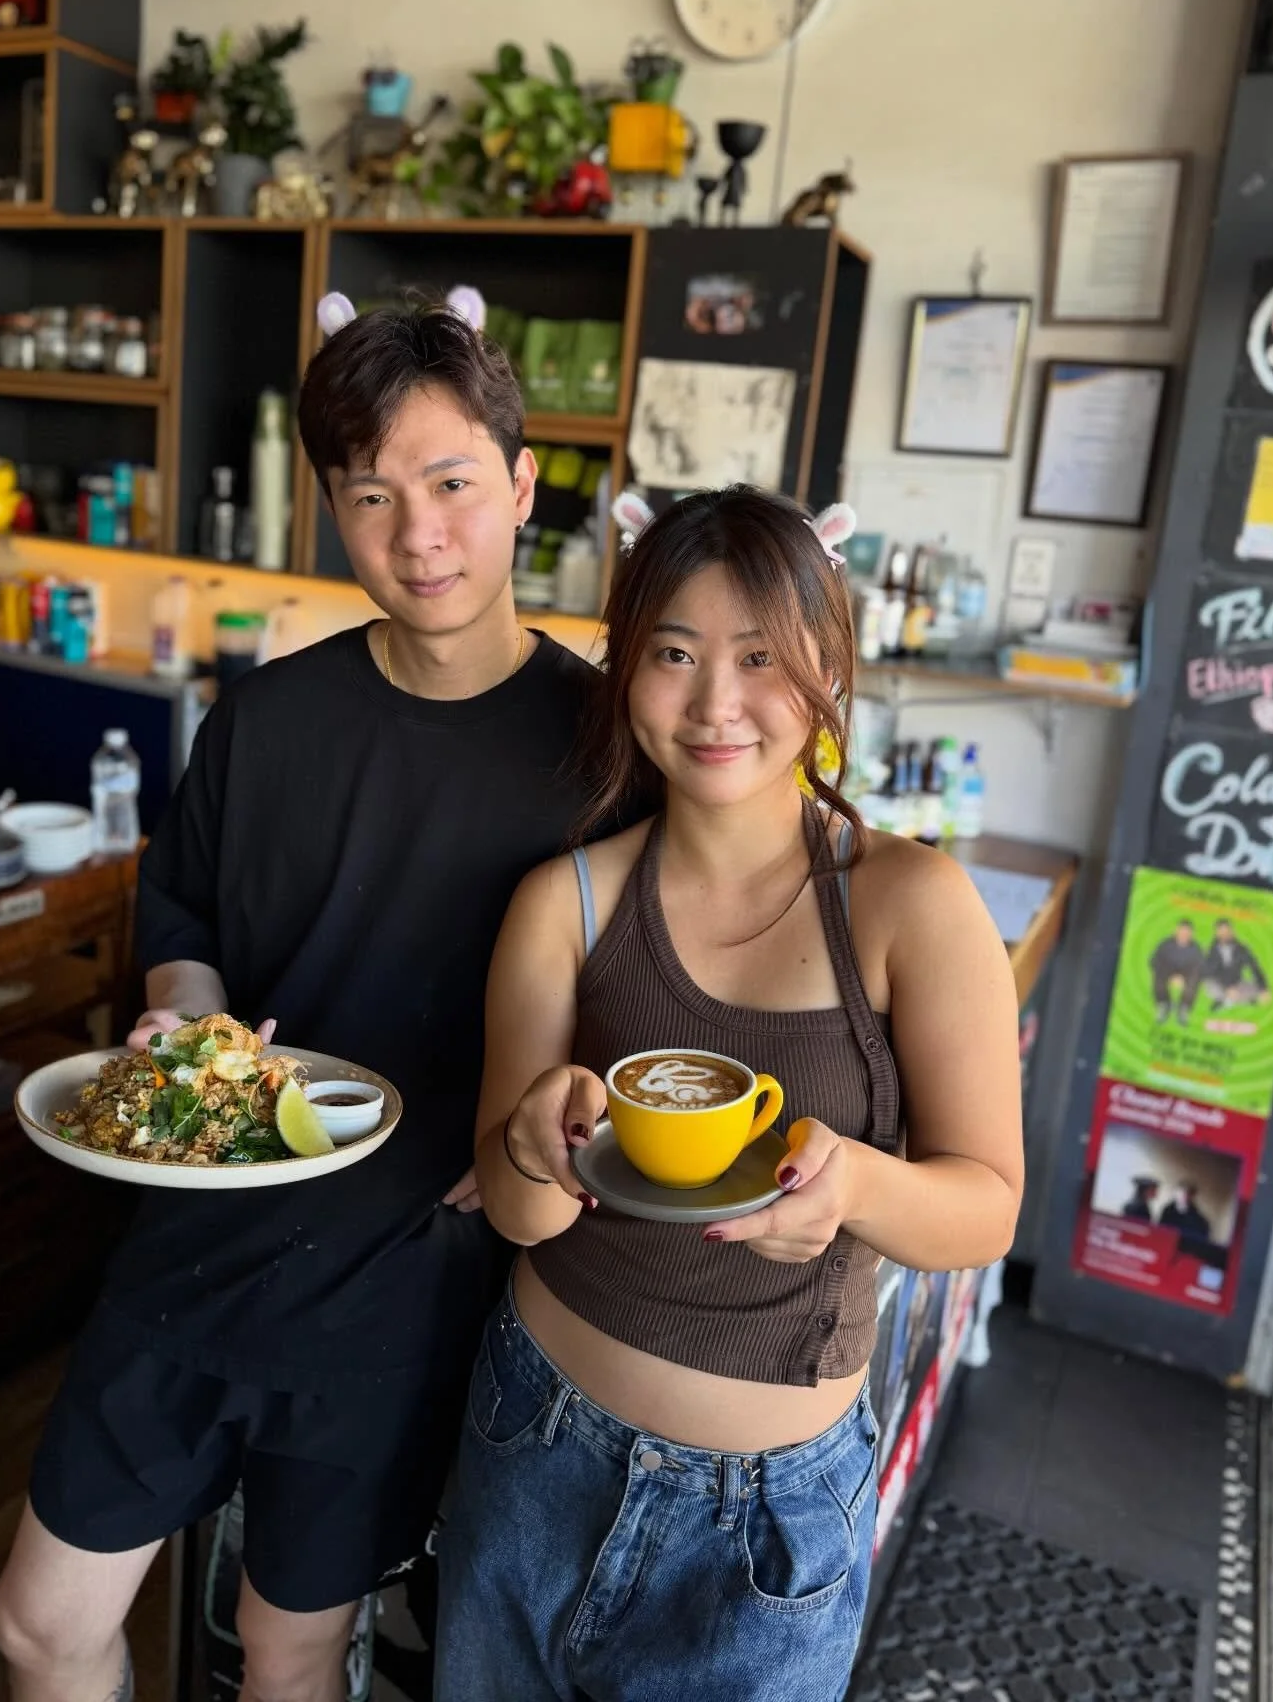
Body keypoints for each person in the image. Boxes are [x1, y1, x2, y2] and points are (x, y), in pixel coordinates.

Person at [0, 291, 608, 1702]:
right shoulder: (270, 717)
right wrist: (187, 1014)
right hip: (199, 1231)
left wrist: (521, 1137)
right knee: (40, 1619)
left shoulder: (597, 749)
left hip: (399, 1276)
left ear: (522, 484)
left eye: (453, 483)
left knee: (290, 1648)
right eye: (372, 494)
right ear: (332, 508)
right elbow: (186, 910)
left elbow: (636, 981)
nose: (420, 534)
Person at [436, 487, 1024, 1702]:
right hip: (533, 1445)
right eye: (673, 654)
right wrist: (538, 1150)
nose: (715, 703)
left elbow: (987, 1207)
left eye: (760, 658)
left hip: (770, 1523)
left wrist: (855, 1184)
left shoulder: (913, 904)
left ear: (825, 671)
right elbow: (512, 1209)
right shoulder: (567, 903)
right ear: (626, 670)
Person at [1199, 917, 1269, 1006]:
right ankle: (1240, 1000)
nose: (1224, 934)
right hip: (1220, 984)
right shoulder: (1211, 950)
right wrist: (1227, 988)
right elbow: (1209, 972)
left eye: (1226, 931)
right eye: (1221, 931)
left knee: (1258, 988)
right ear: (1217, 933)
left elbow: (1255, 967)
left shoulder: (1242, 949)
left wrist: (1264, 989)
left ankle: (1227, 1001)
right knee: (1209, 986)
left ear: (1232, 932)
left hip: (1237, 984)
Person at [1149, 920, 1203, 1025]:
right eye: (1181, 932)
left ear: (1191, 934)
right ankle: (1163, 1004)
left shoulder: (1196, 949)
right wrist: (1171, 977)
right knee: (1157, 976)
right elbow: (1154, 961)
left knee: (1195, 978)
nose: (1183, 935)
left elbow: (1200, 966)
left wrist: (1183, 979)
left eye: (1187, 933)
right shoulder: (1165, 944)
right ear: (1176, 931)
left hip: (1186, 974)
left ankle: (1184, 1008)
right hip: (1167, 971)